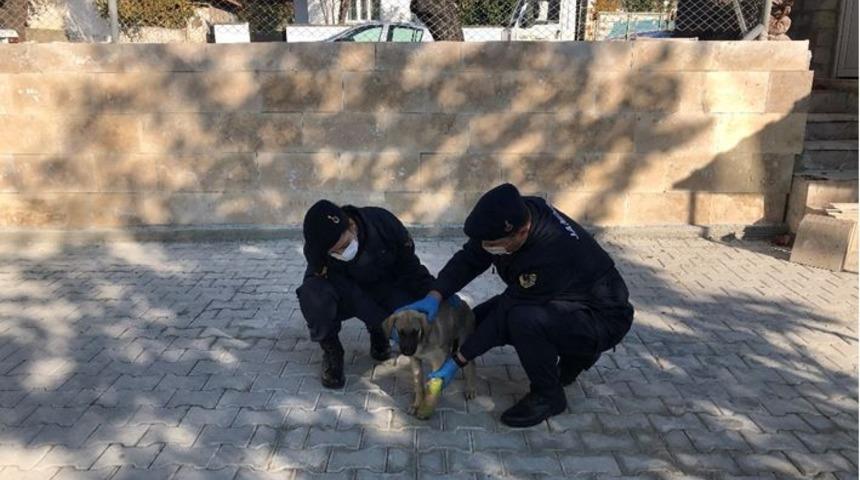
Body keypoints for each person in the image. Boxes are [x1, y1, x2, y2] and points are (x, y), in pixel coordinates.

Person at [400, 184, 634, 427]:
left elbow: (505, 315)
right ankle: (576, 354)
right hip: (567, 298)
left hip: (602, 317)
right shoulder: (516, 212)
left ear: (522, 232)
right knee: (475, 321)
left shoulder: (550, 253)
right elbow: (469, 259)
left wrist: (457, 361)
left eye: (493, 243)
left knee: (523, 320)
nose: (488, 248)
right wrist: (435, 295)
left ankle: (549, 395)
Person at [296, 200, 435, 389]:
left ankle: (378, 334)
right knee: (314, 295)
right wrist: (384, 322)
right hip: (344, 293)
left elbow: (410, 267)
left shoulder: (382, 223)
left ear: (352, 225)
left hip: (384, 283)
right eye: (335, 251)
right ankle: (332, 350)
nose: (341, 252)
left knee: (412, 313)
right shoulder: (317, 250)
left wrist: (438, 294)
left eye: (344, 245)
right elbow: (354, 297)